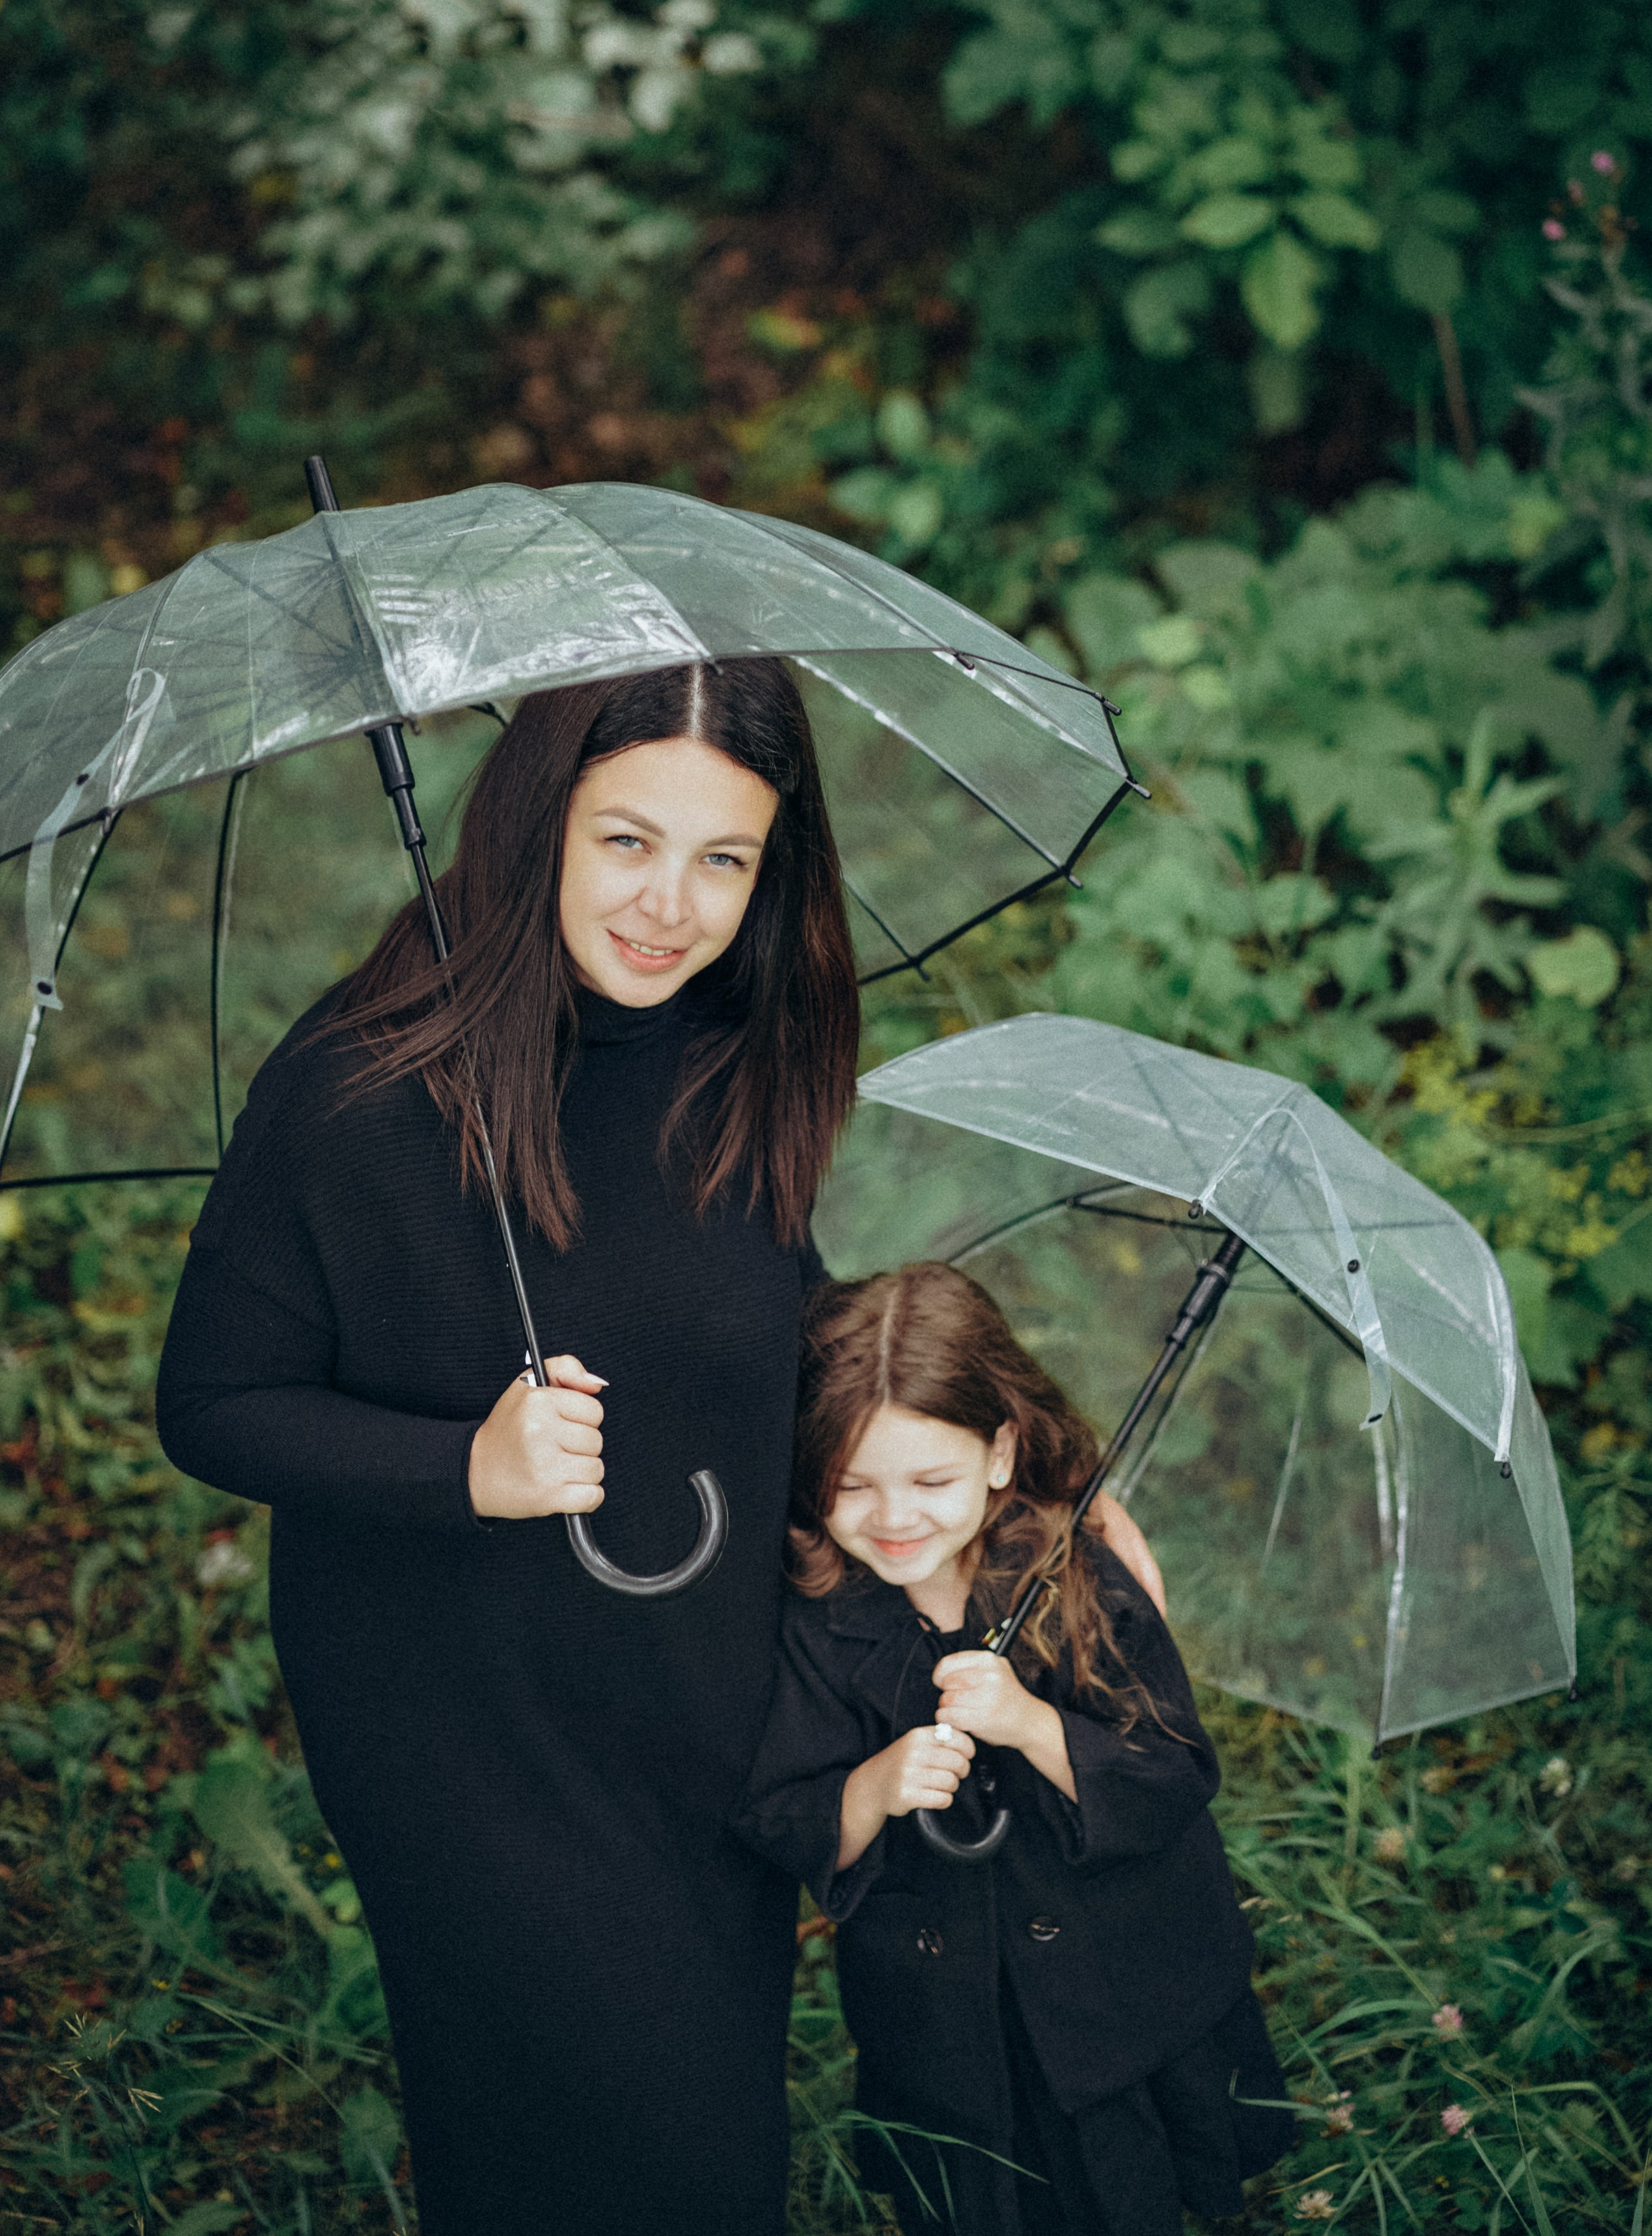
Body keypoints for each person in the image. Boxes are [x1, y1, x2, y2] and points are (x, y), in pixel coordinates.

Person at [155, 659, 863, 2236]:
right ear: (540, 817)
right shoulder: (359, 1088)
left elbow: (773, 1319)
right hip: (462, 1714)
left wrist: (992, 1490)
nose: (670, 905)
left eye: (723, 859)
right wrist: (461, 1468)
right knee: (578, 2132)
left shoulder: (735, 1045)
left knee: (710, 2132)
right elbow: (211, 1398)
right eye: (627, 840)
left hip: (697, 1689)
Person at [737, 1262, 1297, 2236]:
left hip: (1119, 1997)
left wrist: (1033, 1726)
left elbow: (1172, 1772)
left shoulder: (1072, 1575)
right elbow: (777, 1805)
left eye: (930, 1480)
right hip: (953, 2021)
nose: (894, 1517)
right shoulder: (816, 1618)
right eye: (849, 1486)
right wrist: (870, 1789)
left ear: (999, 1453)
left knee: (1126, 2192)